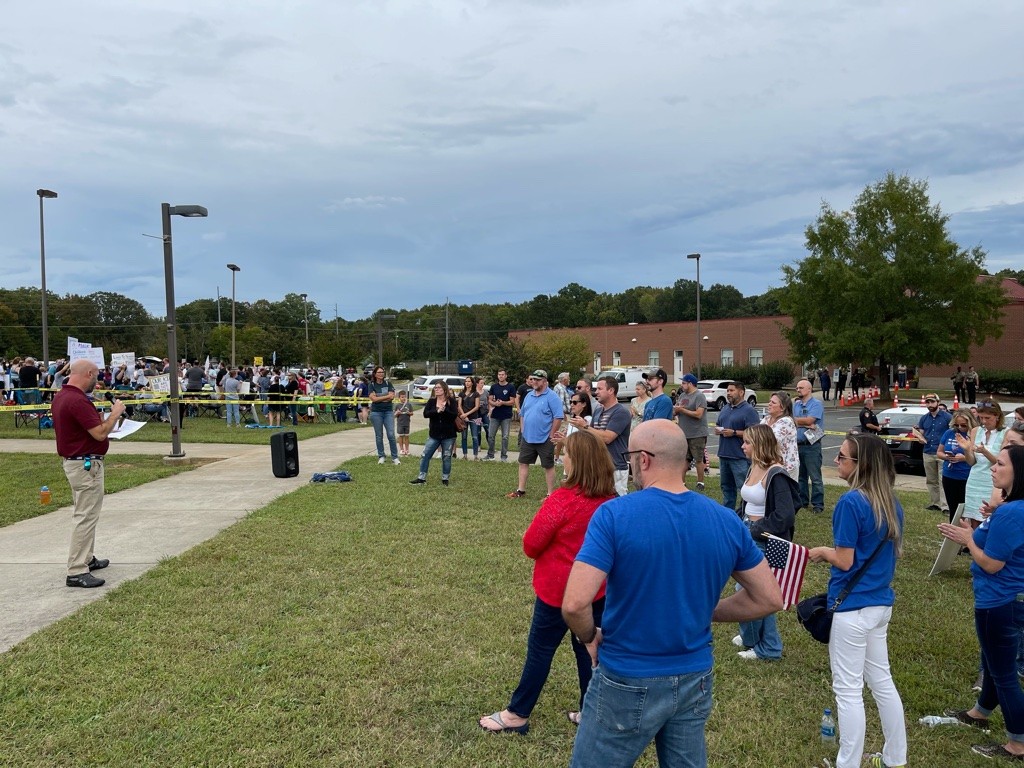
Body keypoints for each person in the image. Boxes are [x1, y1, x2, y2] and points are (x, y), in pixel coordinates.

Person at [562, 420, 783, 768]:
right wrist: (706, 610)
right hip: (694, 677)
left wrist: (589, 636)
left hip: (627, 676)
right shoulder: (725, 520)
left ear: (644, 459)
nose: (628, 462)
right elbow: (770, 597)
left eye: (629, 455)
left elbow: (575, 602)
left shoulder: (615, 515)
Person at [478, 430, 616, 735]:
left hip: (558, 593)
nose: (561, 458)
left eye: (565, 453)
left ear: (576, 462)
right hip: (597, 591)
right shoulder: (612, 501)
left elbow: (531, 544)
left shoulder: (563, 500)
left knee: (541, 650)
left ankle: (517, 713)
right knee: (589, 650)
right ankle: (591, 712)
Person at [808, 434, 907, 768]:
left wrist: (822, 552)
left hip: (852, 608)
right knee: (882, 681)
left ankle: (847, 763)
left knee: (848, 690)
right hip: (879, 606)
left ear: (860, 465)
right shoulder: (891, 503)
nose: (837, 461)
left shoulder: (851, 503)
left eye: (842, 457)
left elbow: (846, 560)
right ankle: (896, 757)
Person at [938, 445, 1024, 761]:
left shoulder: (1012, 512)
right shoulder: (1008, 508)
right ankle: (980, 712)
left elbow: (991, 564)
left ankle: (1018, 744)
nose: (993, 467)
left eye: (1000, 463)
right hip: (1005, 599)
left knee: (1003, 673)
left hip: (999, 602)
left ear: (1018, 472)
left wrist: (968, 540)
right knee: (991, 661)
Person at [51, 360, 126, 588]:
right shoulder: (78, 400)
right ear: (89, 373)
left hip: (77, 462)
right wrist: (115, 414)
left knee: (88, 513)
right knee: (85, 517)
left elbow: (88, 429)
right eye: (97, 375)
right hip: (85, 465)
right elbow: (100, 434)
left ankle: (87, 558)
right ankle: (76, 570)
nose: (98, 380)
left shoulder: (63, 396)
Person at [734, 424, 799, 661]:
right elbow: (748, 502)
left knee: (756, 593)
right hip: (748, 533)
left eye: (747, 442)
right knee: (744, 589)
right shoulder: (754, 467)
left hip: (765, 541)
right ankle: (751, 638)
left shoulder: (776, 473)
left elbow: (785, 515)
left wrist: (756, 529)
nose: (743, 446)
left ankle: (769, 647)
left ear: (760, 445)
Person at [507, 370, 564, 499]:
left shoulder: (552, 396)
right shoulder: (529, 396)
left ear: (545, 381)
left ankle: (550, 494)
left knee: (548, 465)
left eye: (537, 380)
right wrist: (523, 430)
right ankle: (520, 490)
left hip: (545, 438)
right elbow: (522, 414)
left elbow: (558, 417)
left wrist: (551, 434)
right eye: (533, 379)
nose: (534, 382)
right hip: (528, 437)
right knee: (523, 462)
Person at [715, 382, 760, 513]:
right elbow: (719, 423)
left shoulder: (749, 410)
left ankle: (747, 512)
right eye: (727, 391)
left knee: (744, 488)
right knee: (726, 488)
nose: (728, 393)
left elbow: (754, 433)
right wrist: (719, 430)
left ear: (741, 392)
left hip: (739, 456)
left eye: (732, 390)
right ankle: (728, 514)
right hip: (724, 455)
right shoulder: (725, 408)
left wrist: (734, 432)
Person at [960, 401, 1007, 526]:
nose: (984, 421)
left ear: (997, 416)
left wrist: (985, 452)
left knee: (989, 517)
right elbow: (972, 462)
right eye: (981, 418)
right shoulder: (976, 431)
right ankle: (973, 542)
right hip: (975, 479)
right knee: (973, 517)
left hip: (992, 480)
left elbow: (1002, 462)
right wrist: (966, 449)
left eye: (988, 418)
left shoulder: (1005, 433)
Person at [586, 376, 631, 496]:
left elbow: (607, 438)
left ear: (611, 390)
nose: (596, 392)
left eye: (600, 389)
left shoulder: (621, 412)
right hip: (598, 464)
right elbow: (591, 435)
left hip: (616, 466)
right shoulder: (597, 411)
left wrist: (585, 427)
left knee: (618, 502)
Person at [409, 380, 458, 486]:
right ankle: (421, 478)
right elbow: (426, 414)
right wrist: (437, 411)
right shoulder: (431, 401)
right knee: (425, 455)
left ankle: (445, 479)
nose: (436, 389)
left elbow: (454, 415)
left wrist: (444, 410)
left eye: (439, 388)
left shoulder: (452, 401)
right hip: (434, 435)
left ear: (444, 389)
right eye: (435, 388)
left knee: (446, 457)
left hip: (448, 435)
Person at [912, 393, 952, 513]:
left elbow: (952, 433)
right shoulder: (924, 418)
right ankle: (935, 503)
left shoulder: (947, 417)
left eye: (932, 402)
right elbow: (922, 433)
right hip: (927, 451)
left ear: (938, 402)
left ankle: (946, 506)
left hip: (942, 453)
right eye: (928, 402)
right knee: (931, 480)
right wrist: (919, 437)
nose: (930, 405)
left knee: (942, 480)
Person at [937, 411, 977, 522]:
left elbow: (978, 458)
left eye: (963, 425)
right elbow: (939, 452)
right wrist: (947, 457)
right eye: (956, 425)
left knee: (966, 509)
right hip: (949, 474)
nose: (960, 427)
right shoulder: (949, 433)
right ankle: (953, 531)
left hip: (966, 476)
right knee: (953, 508)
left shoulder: (974, 434)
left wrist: (963, 458)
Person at [794, 378, 826, 514]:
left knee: (815, 477)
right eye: (797, 388)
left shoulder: (816, 404)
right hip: (798, 445)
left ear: (809, 389)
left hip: (812, 446)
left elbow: (810, 420)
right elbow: (791, 420)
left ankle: (818, 504)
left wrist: (800, 422)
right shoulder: (795, 404)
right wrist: (804, 423)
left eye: (801, 388)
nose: (798, 390)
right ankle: (803, 501)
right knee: (801, 476)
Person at [673, 373, 709, 491]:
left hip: (697, 433)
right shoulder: (682, 395)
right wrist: (675, 411)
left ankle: (700, 482)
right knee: (684, 459)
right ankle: (681, 483)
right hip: (684, 433)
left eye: (683, 383)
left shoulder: (699, 396)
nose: (682, 385)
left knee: (698, 458)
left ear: (690, 383)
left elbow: (699, 414)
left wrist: (682, 410)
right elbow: (677, 411)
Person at [762, 391, 799, 480]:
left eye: (773, 402)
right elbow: (755, 436)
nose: (769, 404)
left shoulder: (786, 421)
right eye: (770, 401)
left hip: (786, 467)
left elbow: (771, 439)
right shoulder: (766, 419)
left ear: (782, 408)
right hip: (768, 464)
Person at [367, 366, 400, 465]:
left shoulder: (388, 383)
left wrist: (379, 397)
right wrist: (386, 397)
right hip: (376, 412)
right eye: (379, 372)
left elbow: (392, 397)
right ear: (375, 374)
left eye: (382, 372)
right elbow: (374, 399)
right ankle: (381, 456)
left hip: (388, 412)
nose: (381, 374)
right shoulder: (371, 385)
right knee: (379, 435)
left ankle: (395, 457)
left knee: (391, 434)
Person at [484, 370, 516, 462]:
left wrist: (503, 403)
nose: (501, 376)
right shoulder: (494, 387)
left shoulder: (511, 387)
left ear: (506, 376)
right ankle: (490, 455)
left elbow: (512, 401)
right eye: (499, 375)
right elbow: (489, 399)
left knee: (505, 436)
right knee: (490, 435)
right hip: (495, 415)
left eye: (502, 375)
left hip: (506, 416)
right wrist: (494, 403)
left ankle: (503, 456)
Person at [458, 375, 481, 460]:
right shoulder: (461, 393)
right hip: (463, 418)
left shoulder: (476, 394)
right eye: (466, 381)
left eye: (469, 381)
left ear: (472, 383)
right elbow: (459, 405)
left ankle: (475, 455)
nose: (467, 383)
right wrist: (463, 415)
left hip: (474, 417)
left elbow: (477, 406)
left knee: (474, 436)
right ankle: (465, 455)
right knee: (464, 437)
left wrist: (467, 414)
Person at [394, 390, 413, 456]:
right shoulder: (397, 405)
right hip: (400, 423)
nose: (404, 398)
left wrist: (409, 413)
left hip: (407, 423)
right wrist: (397, 413)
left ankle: (407, 450)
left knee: (407, 437)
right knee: (401, 436)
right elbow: (395, 415)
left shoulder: (409, 405)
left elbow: (412, 413)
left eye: (405, 397)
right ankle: (401, 449)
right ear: (399, 398)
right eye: (402, 397)